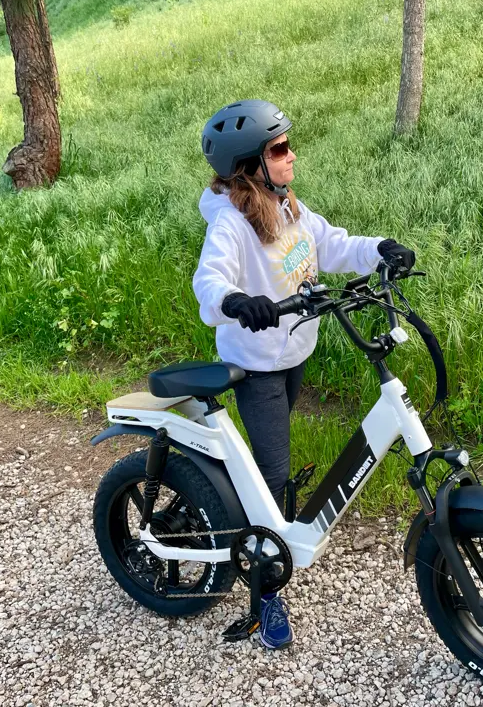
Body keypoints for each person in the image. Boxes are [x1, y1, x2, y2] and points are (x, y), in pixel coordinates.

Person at [192, 100, 416, 649]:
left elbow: (329, 242)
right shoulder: (231, 220)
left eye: (288, 144)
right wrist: (238, 301)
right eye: (279, 149)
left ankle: (275, 513)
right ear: (249, 165)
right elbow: (208, 283)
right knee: (272, 476)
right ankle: (265, 589)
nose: (291, 156)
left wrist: (378, 250)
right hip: (258, 364)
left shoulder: (285, 203)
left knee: (278, 463)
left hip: (292, 353)